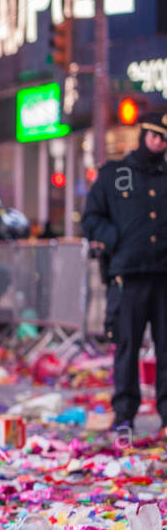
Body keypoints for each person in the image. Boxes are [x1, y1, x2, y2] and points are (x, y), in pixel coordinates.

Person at [81, 109, 167, 438]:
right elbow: (92, 218)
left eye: (164, 140)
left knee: (166, 349)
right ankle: (124, 416)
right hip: (127, 276)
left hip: (163, 276)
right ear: (144, 133)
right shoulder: (114, 174)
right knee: (127, 348)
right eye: (155, 136)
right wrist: (116, 240)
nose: (159, 143)